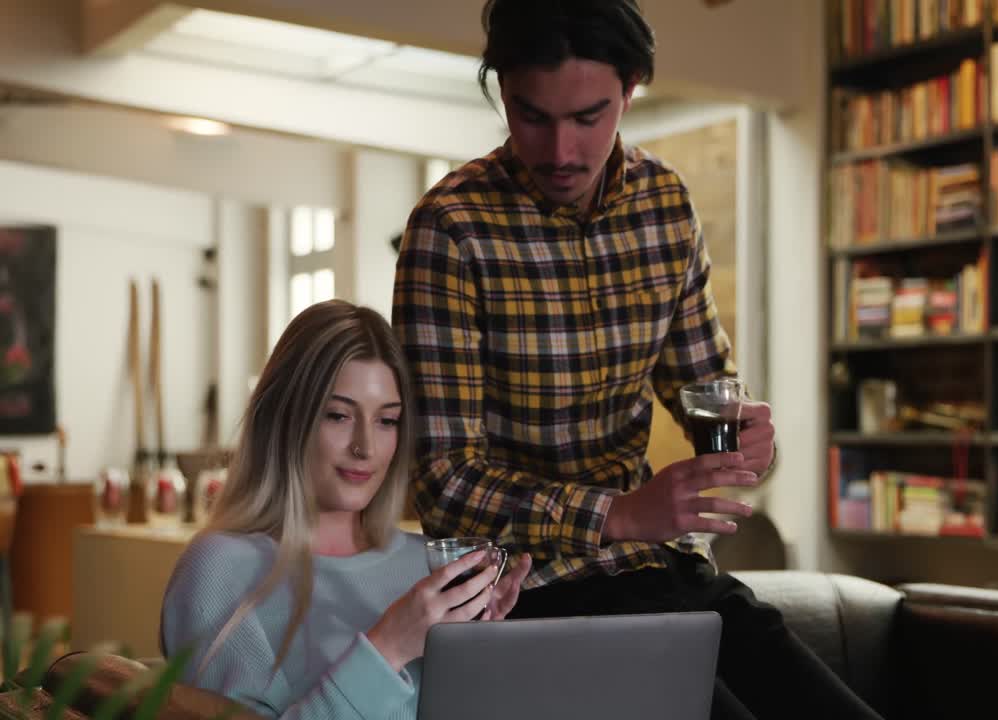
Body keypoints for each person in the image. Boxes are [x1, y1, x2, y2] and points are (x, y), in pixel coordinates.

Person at [392, 2, 883, 718]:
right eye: (532, 116)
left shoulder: (664, 205)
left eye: (587, 117)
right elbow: (445, 482)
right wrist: (617, 514)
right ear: (501, 90)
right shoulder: (450, 229)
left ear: (631, 90)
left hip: (663, 569)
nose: (560, 150)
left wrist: (747, 441)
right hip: (524, 594)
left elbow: (706, 390)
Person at [161, 300, 531, 720]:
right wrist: (388, 647)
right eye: (338, 415)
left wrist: (481, 658)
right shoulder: (217, 570)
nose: (365, 447)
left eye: (386, 421)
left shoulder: (426, 565)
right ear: (283, 418)